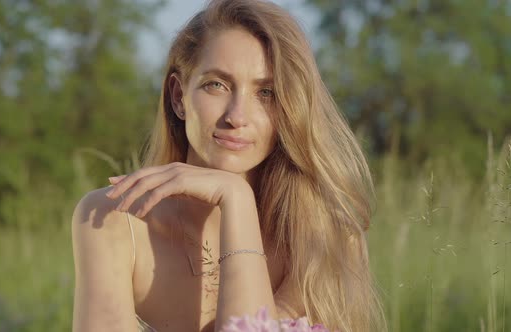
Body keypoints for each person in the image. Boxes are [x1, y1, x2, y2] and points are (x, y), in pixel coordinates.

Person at [71, 0, 385, 331]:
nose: (237, 116)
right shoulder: (112, 219)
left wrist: (236, 198)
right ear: (179, 97)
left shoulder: (327, 238)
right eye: (216, 85)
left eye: (266, 92)